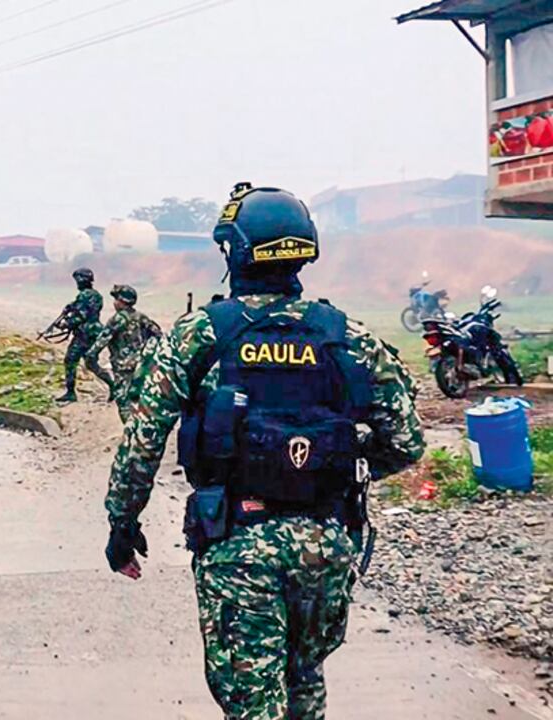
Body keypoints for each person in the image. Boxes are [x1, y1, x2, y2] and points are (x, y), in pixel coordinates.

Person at [103, 183, 424, 719]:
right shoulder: (347, 336)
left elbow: (141, 440)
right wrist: (338, 470)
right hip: (325, 547)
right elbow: (407, 441)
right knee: (304, 682)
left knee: (254, 705)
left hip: (238, 546)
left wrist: (122, 523)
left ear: (234, 252)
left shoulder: (200, 335)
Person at [88, 283, 162, 423]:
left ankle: (132, 433)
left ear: (122, 301)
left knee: (123, 401)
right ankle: (141, 428)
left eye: (116, 299)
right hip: (143, 367)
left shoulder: (117, 319)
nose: (115, 303)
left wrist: (91, 357)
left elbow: (102, 340)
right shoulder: (141, 317)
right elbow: (158, 334)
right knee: (139, 399)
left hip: (123, 368)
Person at [55, 267, 114, 403]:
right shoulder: (95, 295)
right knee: (91, 363)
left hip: (84, 334)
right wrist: (71, 306)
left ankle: (70, 393)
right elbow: (83, 308)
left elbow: (81, 316)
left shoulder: (84, 296)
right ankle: (113, 386)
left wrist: (65, 324)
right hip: (93, 332)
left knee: (70, 360)